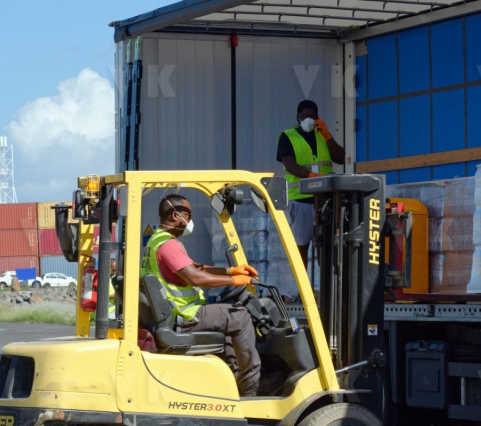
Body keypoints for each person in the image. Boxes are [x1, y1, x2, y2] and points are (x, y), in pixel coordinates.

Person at [140, 194, 262, 396]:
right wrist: (234, 281)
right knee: (239, 316)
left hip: (174, 312)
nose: (190, 221)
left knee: (230, 317)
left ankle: (233, 378)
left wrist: (230, 271)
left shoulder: (156, 241)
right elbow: (195, 277)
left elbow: (194, 266)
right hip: (185, 314)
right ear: (174, 215)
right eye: (188, 215)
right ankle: (250, 388)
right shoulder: (168, 245)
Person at [277, 99, 345, 269]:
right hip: (301, 199)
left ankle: (324, 289)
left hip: (324, 200)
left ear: (317, 117)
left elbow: (340, 158)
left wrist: (328, 136)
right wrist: (313, 176)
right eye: (304, 115)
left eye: (312, 115)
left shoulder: (322, 135)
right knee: (301, 246)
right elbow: (289, 164)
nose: (308, 118)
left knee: (325, 245)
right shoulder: (288, 136)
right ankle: (301, 289)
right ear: (298, 117)